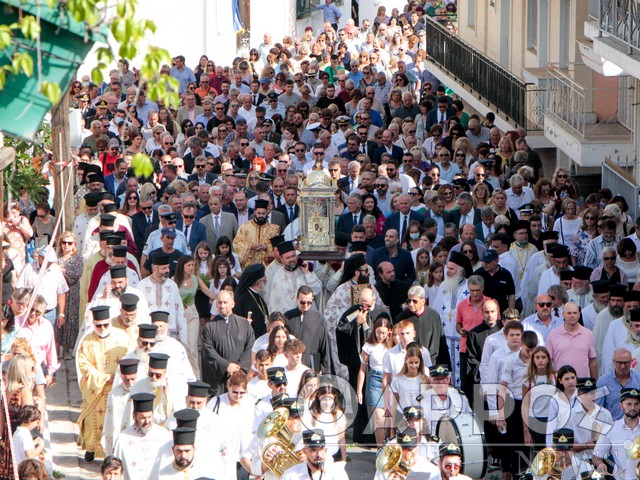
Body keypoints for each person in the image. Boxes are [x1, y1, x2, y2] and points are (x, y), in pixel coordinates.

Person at [76, 305, 130, 461]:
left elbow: (129, 359)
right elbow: (84, 365)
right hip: (96, 389)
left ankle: (112, 453)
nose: (102, 328)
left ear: (110, 322)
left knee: (115, 421)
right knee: (93, 420)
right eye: (98, 325)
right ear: (94, 324)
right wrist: (104, 377)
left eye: (106, 324)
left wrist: (119, 376)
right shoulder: (87, 341)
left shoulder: (122, 338)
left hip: (117, 387)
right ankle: (92, 448)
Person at [201, 289, 255, 394]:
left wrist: (239, 369)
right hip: (219, 380)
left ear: (233, 304)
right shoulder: (210, 326)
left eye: (225, 302)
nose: (222, 305)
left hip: (239, 376)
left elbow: (250, 347)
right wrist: (226, 366)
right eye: (219, 302)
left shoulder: (244, 324)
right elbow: (209, 351)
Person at [112, 393, 171, 480]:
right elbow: (115, 469)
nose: (147, 421)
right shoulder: (123, 439)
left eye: (149, 417)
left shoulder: (164, 435)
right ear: (134, 417)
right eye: (142, 418)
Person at [137, 252, 187, 345]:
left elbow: (180, 313)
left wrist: (184, 342)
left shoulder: (172, 285)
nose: (167, 270)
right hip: (148, 337)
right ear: (155, 269)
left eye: (168, 267)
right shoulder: (142, 286)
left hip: (170, 336)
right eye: (164, 268)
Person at [593, 387, 640, 479]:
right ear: (621, 406)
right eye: (628, 404)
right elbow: (596, 456)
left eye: (636, 404)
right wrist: (600, 464)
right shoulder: (611, 429)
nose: (632, 407)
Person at [284, 286, 332, 373]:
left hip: (312, 364)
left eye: (309, 302)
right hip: (292, 363)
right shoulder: (288, 317)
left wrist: (324, 369)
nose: (305, 305)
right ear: (297, 299)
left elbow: (325, 345)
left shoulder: (319, 318)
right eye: (302, 302)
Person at [267, 241, 322, 313]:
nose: (292, 259)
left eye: (293, 256)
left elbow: (317, 289)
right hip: (287, 318)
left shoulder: (304, 269)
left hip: (307, 315)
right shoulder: (277, 276)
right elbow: (274, 304)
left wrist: (307, 273)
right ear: (281, 259)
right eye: (288, 257)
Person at [101, 358, 139, 456]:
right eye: (127, 380)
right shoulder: (114, 394)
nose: (130, 382)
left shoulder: (141, 391)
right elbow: (110, 420)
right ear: (121, 376)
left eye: (132, 379)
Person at [280, 429, 348, 480]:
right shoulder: (290, 476)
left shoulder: (337, 473)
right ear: (305, 451)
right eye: (314, 450)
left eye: (321, 449)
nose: (319, 455)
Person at [233, 263, 270, 338]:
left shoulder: (258, 296)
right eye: (264, 281)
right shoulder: (242, 299)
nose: (266, 283)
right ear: (258, 283)